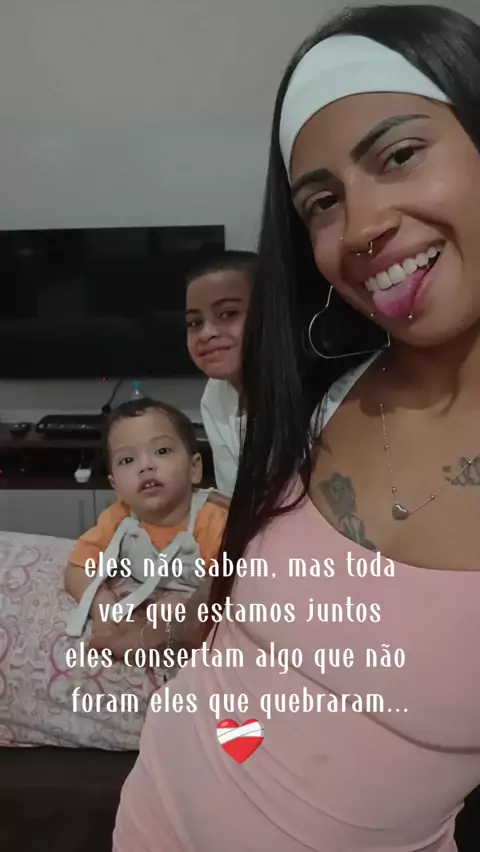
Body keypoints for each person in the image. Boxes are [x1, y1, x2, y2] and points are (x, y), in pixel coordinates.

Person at [113, 5, 480, 850]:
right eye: (322, 202)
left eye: (400, 154)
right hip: (154, 811)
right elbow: (249, 617)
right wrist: (161, 629)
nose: (363, 227)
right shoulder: (314, 400)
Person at [64, 397, 228, 660]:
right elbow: (77, 568)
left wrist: (177, 613)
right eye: (128, 460)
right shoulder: (120, 519)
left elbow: (228, 590)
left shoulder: (211, 521)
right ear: (115, 486)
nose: (145, 466)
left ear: (194, 468)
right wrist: (101, 605)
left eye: (161, 451)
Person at [186, 250, 257, 496]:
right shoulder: (215, 395)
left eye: (228, 314)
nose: (206, 334)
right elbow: (235, 498)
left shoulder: (322, 400)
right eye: (194, 323)